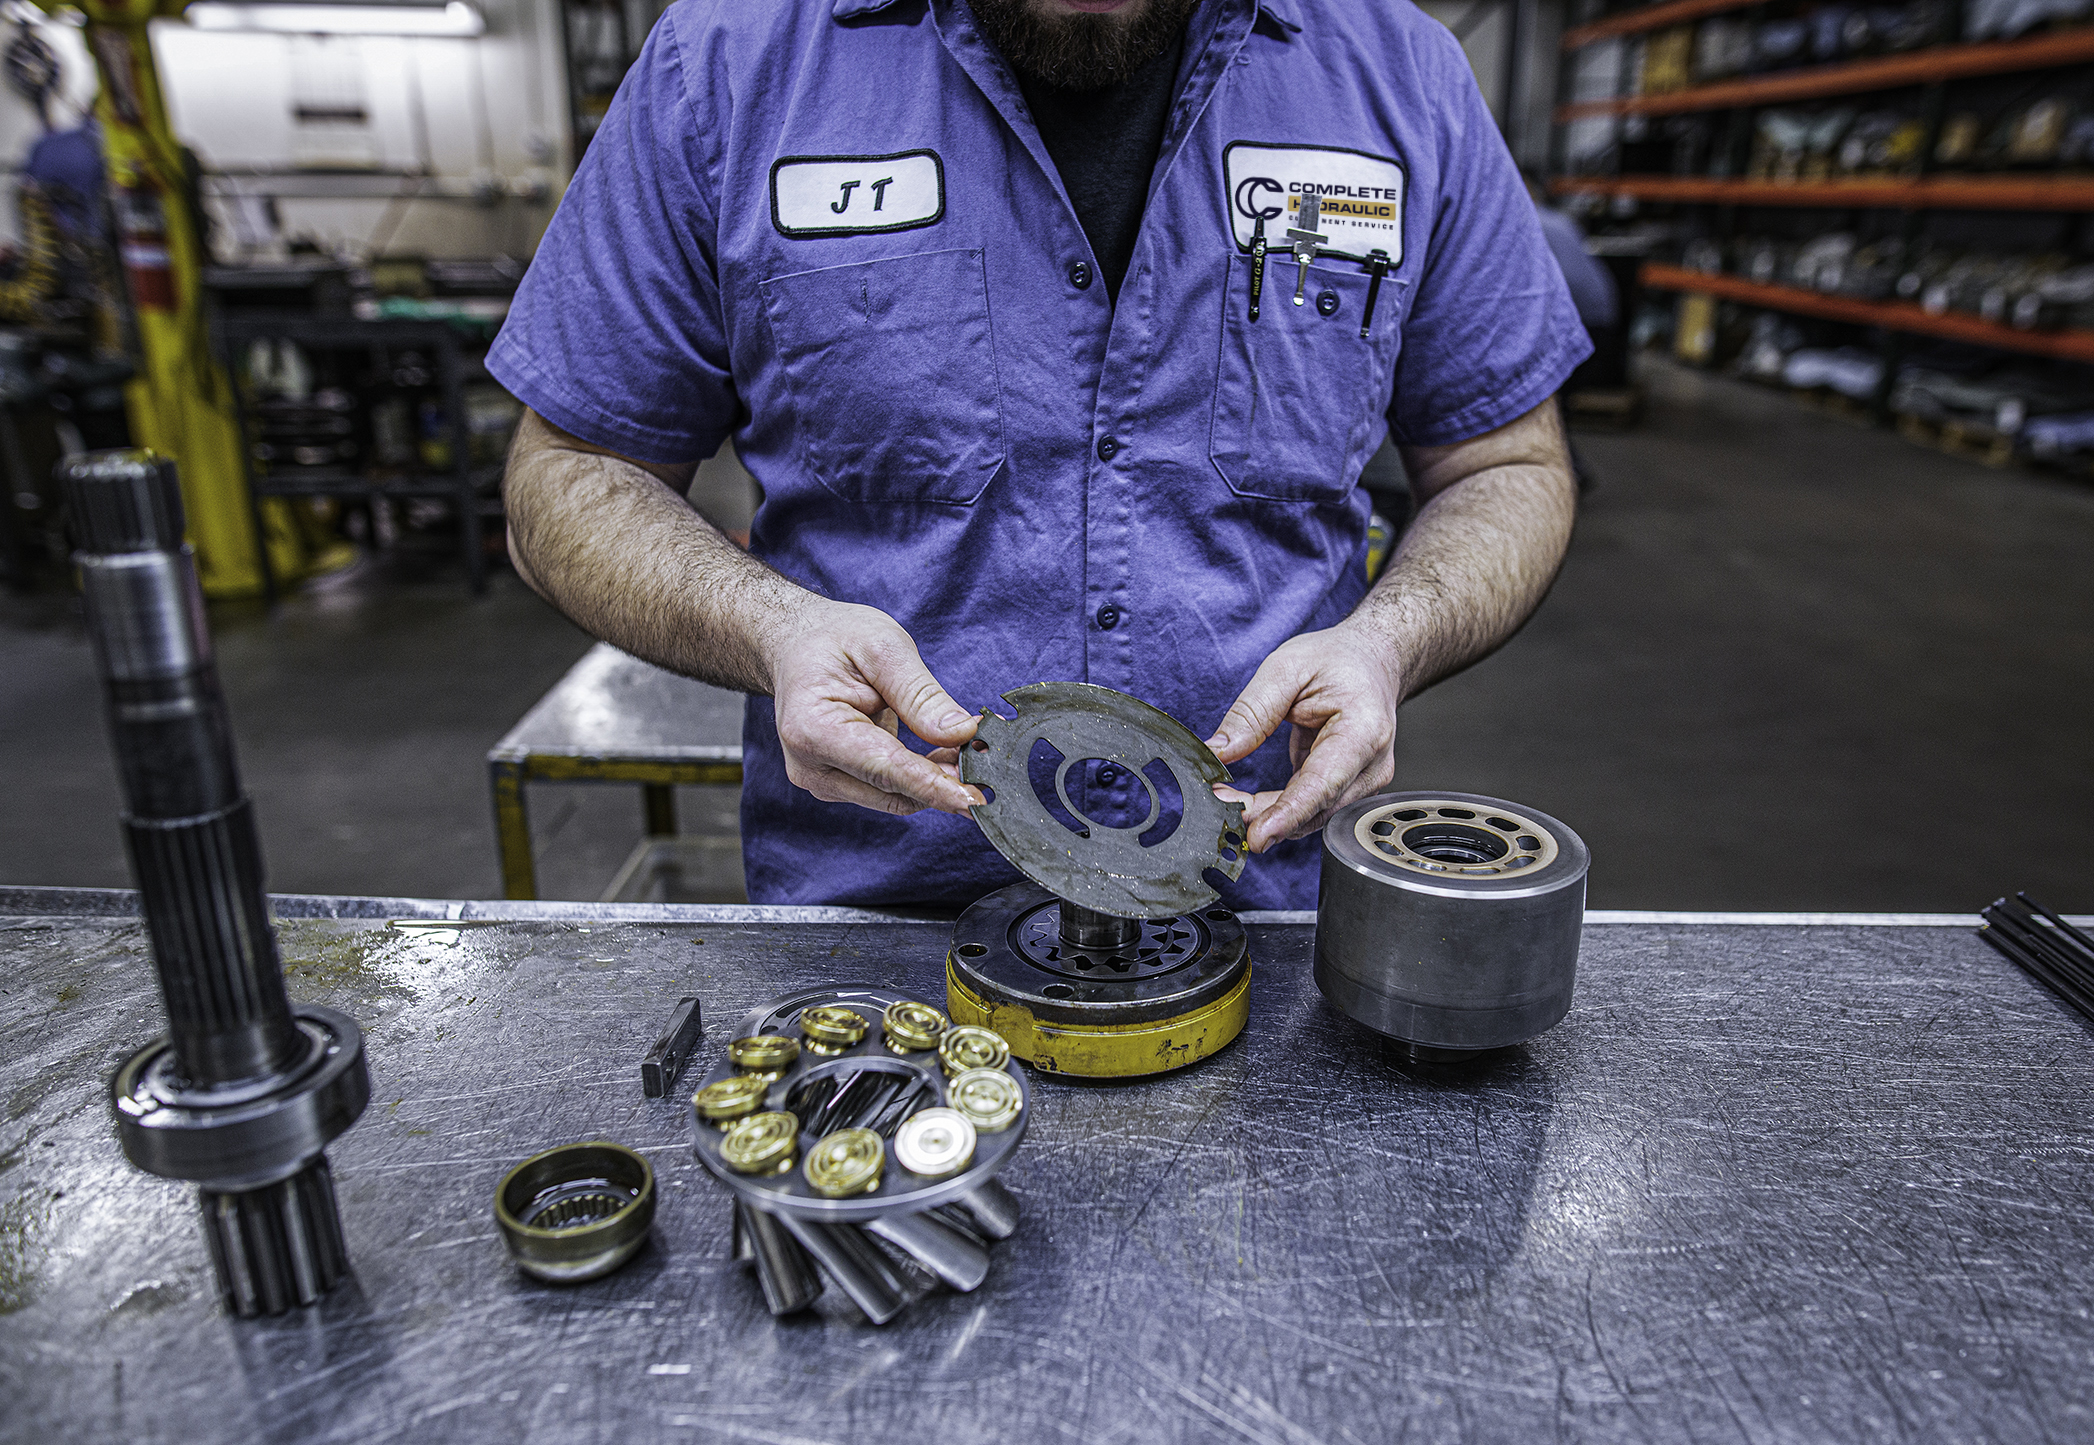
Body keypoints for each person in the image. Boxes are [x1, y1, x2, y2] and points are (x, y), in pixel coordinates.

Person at [489, 0, 1590, 911]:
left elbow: (1508, 465)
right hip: (875, 935)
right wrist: (772, 632)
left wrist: (1388, 644)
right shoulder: (728, 64)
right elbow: (569, 471)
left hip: (1274, 922)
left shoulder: (1401, 76)